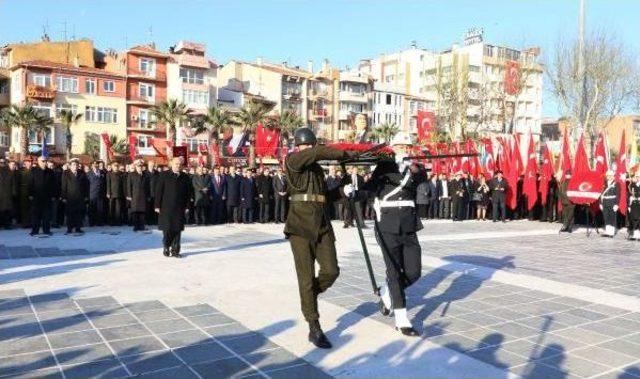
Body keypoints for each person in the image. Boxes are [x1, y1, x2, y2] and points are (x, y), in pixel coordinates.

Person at [284, 127, 355, 349]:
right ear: (299, 146)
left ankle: (310, 294)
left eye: (309, 145)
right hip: (300, 226)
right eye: (305, 146)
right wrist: (345, 153)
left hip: (322, 224)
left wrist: (343, 190)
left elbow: (325, 196)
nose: (307, 149)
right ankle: (314, 326)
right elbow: (316, 154)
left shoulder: (316, 170)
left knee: (331, 271)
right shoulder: (293, 161)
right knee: (305, 277)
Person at [355, 131, 422, 336]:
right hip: (387, 224)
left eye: (408, 146)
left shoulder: (415, 168)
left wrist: (407, 165)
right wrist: (354, 192)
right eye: (402, 146)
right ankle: (402, 320)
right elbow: (369, 189)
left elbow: (421, 177)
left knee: (413, 272)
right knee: (394, 271)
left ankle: (386, 294)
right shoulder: (384, 166)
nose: (406, 149)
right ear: (393, 147)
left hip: (409, 225)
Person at [155, 157, 192, 258]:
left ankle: (175, 250)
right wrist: (157, 205)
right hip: (166, 207)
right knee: (167, 229)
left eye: (180, 164)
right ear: (171, 164)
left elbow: (188, 193)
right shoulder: (164, 175)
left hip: (179, 207)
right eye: (176, 164)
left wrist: (187, 206)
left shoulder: (185, 177)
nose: (178, 166)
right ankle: (166, 246)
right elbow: (159, 191)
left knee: (177, 229)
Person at [28, 156, 56, 236]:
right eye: (43, 161)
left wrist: (53, 195)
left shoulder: (50, 171)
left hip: (47, 197)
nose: (44, 162)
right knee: (36, 215)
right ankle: (35, 230)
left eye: (45, 161)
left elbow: (53, 185)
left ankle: (46, 230)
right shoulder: (33, 171)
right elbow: (30, 184)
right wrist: (30, 194)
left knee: (46, 215)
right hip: (36, 197)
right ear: (39, 162)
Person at [61, 158, 89, 235]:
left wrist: (86, 196)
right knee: (70, 214)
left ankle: (78, 228)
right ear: (70, 166)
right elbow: (64, 186)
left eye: (76, 165)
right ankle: (69, 229)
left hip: (80, 197)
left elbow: (86, 185)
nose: (75, 166)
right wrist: (63, 197)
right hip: (70, 197)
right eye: (73, 165)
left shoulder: (82, 173)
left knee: (79, 213)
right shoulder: (66, 173)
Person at [127, 160, 150, 232]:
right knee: (135, 212)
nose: (139, 168)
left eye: (141, 166)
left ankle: (142, 225)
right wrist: (129, 195)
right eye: (138, 166)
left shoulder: (145, 175)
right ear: (136, 167)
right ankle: (136, 226)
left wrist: (148, 195)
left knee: (142, 212)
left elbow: (148, 186)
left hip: (143, 196)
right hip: (135, 195)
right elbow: (129, 185)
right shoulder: (131, 174)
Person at [600, 170, 620, 237]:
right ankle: (607, 231)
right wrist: (600, 203)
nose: (609, 177)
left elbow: (618, 195)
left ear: (613, 176)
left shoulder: (616, 184)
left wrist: (616, 204)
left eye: (611, 176)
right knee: (606, 217)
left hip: (612, 202)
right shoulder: (604, 184)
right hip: (605, 202)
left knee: (612, 217)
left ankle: (611, 232)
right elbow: (601, 194)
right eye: (608, 176)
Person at [87, 161, 106, 226]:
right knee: (92, 209)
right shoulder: (88, 173)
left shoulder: (102, 172)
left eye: (97, 164)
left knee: (100, 208)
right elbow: (86, 184)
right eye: (94, 164)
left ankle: (99, 222)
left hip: (100, 193)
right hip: (92, 194)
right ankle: (92, 222)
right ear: (92, 166)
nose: (95, 166)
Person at [0, 159, 16, 229]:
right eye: (1, 162)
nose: (2, 163)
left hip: (7, 193)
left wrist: (13, 192)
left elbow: (13, 183)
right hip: (0, 193)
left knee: (7, 210)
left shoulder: (9, 172)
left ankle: (7, 225)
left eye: (3, 162)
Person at [628, 172, 640, 240]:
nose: (638, 178)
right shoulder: (632, 185)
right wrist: (629, 205)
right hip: (634, 204)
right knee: (634, 218)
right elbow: (629, 195)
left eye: (639, 177)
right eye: (637, 177)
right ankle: (635, 234)